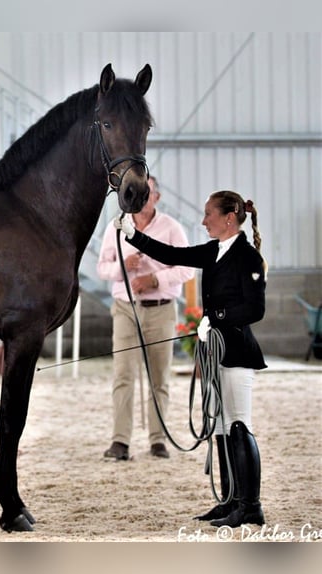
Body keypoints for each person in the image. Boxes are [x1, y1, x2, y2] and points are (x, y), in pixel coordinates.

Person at [116, 189, 267, 527]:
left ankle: (251, 505)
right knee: (221, 426)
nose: (202, 221)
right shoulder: (214, 251)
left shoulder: (248, 258)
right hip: (213, 349)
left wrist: (218, 316)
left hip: (237, 350)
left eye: (208, 215)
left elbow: (255, 309)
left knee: (240, 424)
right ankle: (230, 501)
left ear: (229, 218)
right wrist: (133, 235)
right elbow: (172, 253)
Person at [97, 175, 194, 461]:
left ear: (156, 197)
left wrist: (155, 279)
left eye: (146, 192)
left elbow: (187, 269)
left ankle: (157, 440)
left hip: (161, 309)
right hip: (126, 308)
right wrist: (121, 268)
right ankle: (120, 441)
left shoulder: (172, 228)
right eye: (134, 193)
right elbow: (102, 268)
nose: (140, 197)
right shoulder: (115, 227)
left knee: (159, 377)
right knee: (123, 375)